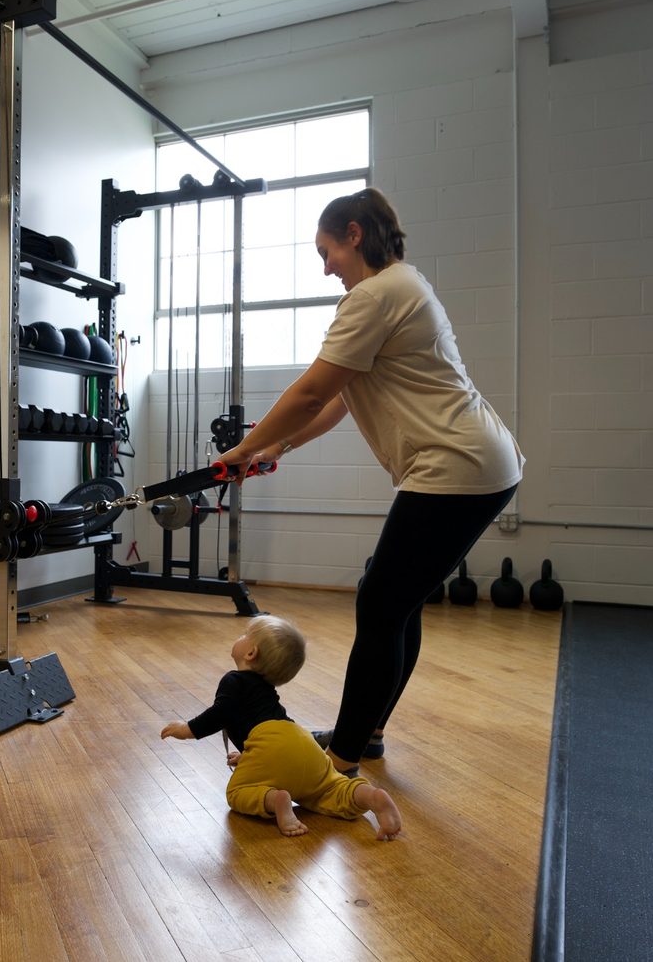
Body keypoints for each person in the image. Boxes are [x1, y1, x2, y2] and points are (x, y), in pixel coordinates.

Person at [217, 187, 523, 777]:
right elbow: (336, 400)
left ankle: (343, 756)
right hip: (475, 464)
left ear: (354, 235)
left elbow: (309, 392)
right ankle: (368, 733)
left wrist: (244, 448)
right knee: (394, 603)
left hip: (456, 466)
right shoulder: (401, 286)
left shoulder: (375, 296)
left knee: (380, 604)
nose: (325, 266)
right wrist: (274, 446)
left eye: (326, 250)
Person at [160, 615, 402, 840]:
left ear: (251, 652)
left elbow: (221, 714)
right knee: (331, 788)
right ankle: (368, 796)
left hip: (271, 745)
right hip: (302, 740)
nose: (242, 636)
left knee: (237, 792)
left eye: (246, 634)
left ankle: (275, 799)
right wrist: (248, 756)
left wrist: (187, 729)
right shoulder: (265, 689)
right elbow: (268, 728)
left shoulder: (233, 680)